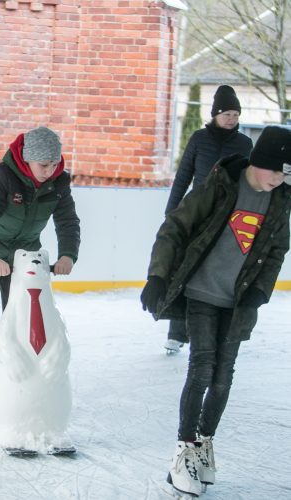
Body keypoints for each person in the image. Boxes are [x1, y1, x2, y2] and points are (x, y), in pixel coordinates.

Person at [140, 125, 291, 497]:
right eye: (279, 171)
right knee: (202, 368)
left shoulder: (281, 200)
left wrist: (260, 289)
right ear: (261, 162)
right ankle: (184, 450)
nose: (281, 179)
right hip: (201, 292)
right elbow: (175, 226)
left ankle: (204, 443)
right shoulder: (221, 184)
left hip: (237, 300)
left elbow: (277, 251)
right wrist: (157, 276)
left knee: (224, 376)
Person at [0, 126, 80, 419]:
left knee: (25, 322)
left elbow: (67, 221)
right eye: (43, 165)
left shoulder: (59, 182)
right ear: (28, 160)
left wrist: (67, 254)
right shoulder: (5, 175)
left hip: (26, 259)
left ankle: (25, 384)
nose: (49, 171)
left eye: (54, 164)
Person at [164, 85, 253, 354]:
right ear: (215, 114)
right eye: (227, 113)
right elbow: (183, 175)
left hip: (227, 214)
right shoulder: (199, 139)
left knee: (217, 272)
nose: (231, 119)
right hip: (196, 211)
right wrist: (172, 211)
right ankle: (177, 331)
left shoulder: (244, 144)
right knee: (185, 268)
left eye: (236, 115)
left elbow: (248, 183)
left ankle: (216, 331)